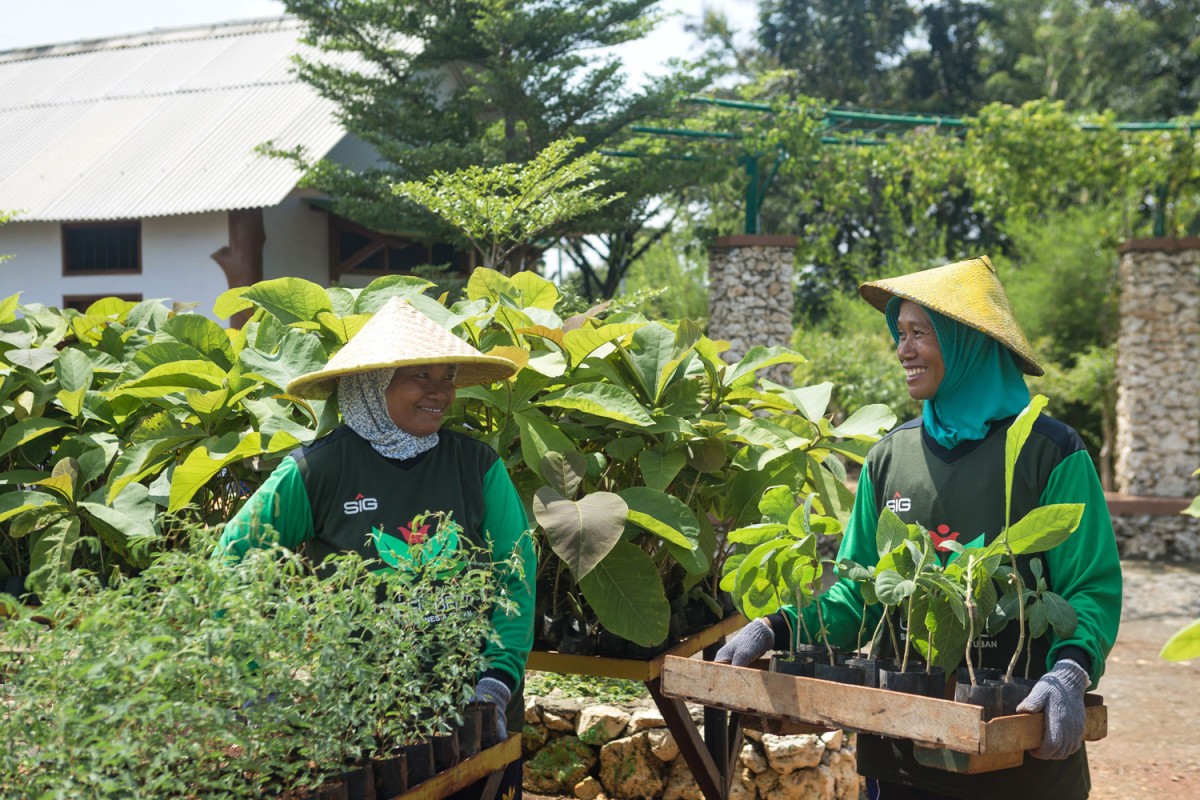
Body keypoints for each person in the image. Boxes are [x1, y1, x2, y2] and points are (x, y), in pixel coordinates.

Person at [715, 255, 1122, 800]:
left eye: (919, 333)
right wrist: (778, 627)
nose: (903, 350)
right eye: (900, 333)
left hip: (1024, 753)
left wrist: (1069, 670)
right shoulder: (890, 457)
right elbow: (859, 595)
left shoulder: (1049, 452)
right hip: (899, 756)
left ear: (966, 342)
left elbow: (1090, 587)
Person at [215, 297, 535, 798]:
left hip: (476, 713)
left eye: (448, 377)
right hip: (365, 722)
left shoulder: (476, 466)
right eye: (420, 376)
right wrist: (257, 686)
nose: (440, 392)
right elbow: (231, 564)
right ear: (371, 384)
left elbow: (515, 576)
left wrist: (496, 679)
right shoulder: (319, 471)